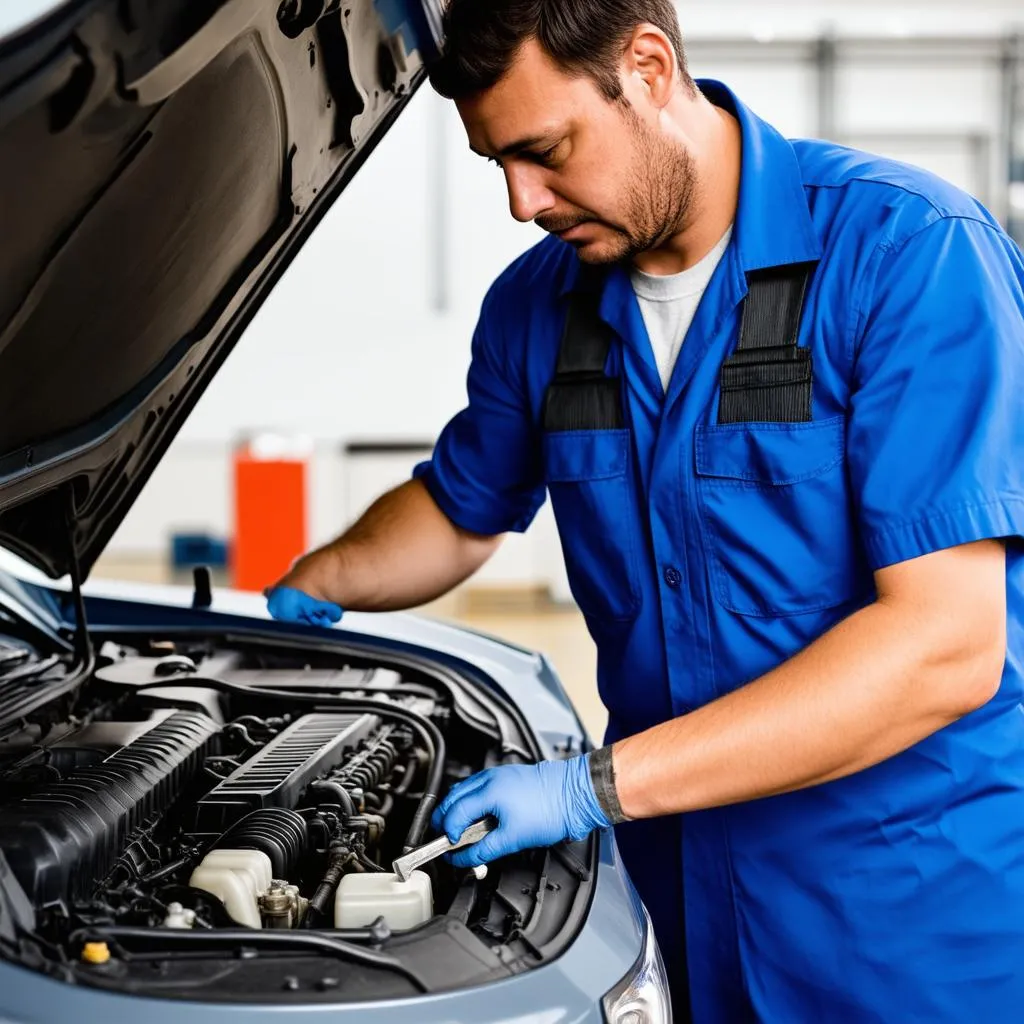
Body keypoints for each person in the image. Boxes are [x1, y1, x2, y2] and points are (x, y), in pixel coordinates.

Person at [266, 1, 1024, 1019]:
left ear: (649, 66)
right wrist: (303, 589)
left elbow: (943, 643)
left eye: (543, 151)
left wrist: (591, 789)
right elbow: (457, 512)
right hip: (667, 900)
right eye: (497, 163)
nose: (520, 201)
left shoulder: (907, 254)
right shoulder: (537, 305)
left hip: (896, 922)